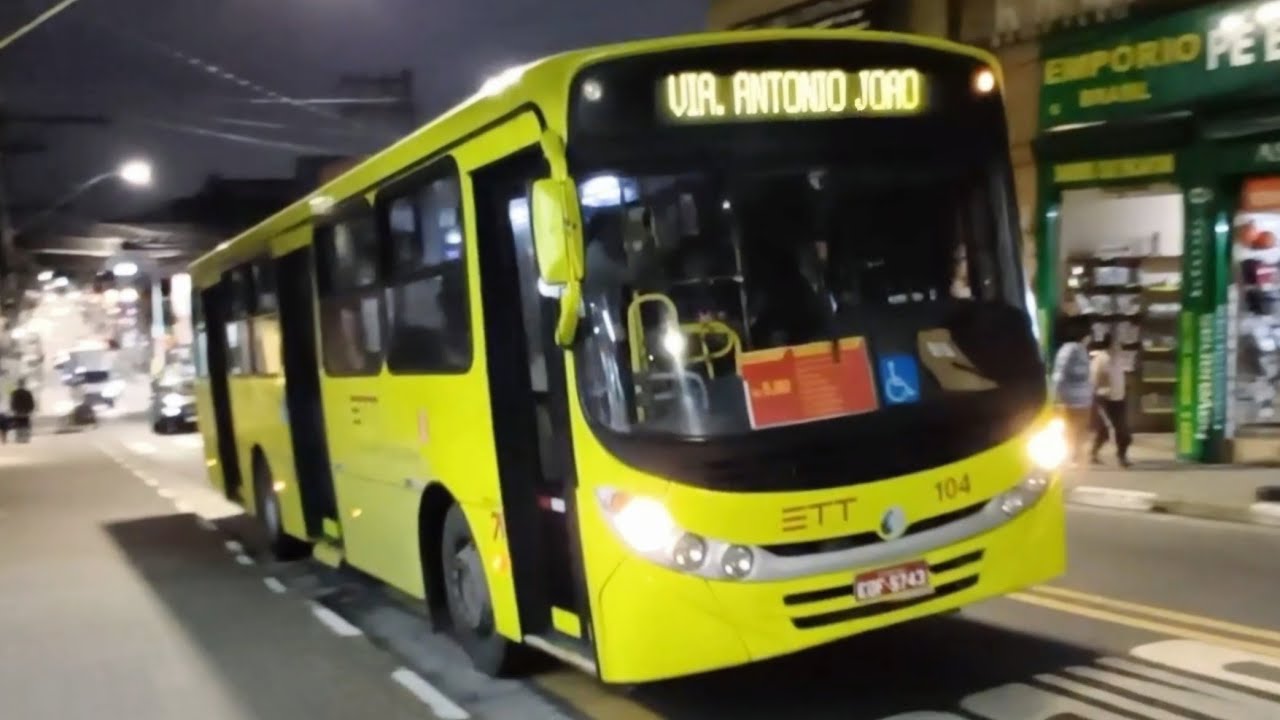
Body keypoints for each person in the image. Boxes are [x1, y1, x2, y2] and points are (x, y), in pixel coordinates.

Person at [1050, 317, 1093, 464]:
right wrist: (1054, 396)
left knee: (1079, 429)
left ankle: (1075, 454)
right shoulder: (1069, 349)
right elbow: (1059, 373)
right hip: (1071, 398)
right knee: (1071, 428)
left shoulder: (1081, 349)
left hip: (1083, 399)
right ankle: (1070, 455)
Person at [1089, 332, 1131, 467]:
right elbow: (1093, 380)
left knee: (1120, 430)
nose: (1119, 347)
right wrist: (1098, 394)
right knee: (1109, 431)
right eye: (1116, 345)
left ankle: (1119, 455)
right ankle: (1097, 453)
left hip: (1119, 399)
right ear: (1110, 345)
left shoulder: (1118, 359)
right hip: (1105, 399)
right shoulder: (1100, 359)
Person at [9, 378, 36, 444]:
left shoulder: (14, 393)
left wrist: (13, 409)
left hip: (18, 412)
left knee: (18, 425)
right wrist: (30, 410)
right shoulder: (28, 393)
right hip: (26, 412)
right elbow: (31, 402)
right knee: (25, 425)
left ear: (18, 384)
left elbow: (12, 403)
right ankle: (25, 438)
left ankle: (19, 438)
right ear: (24, 384)